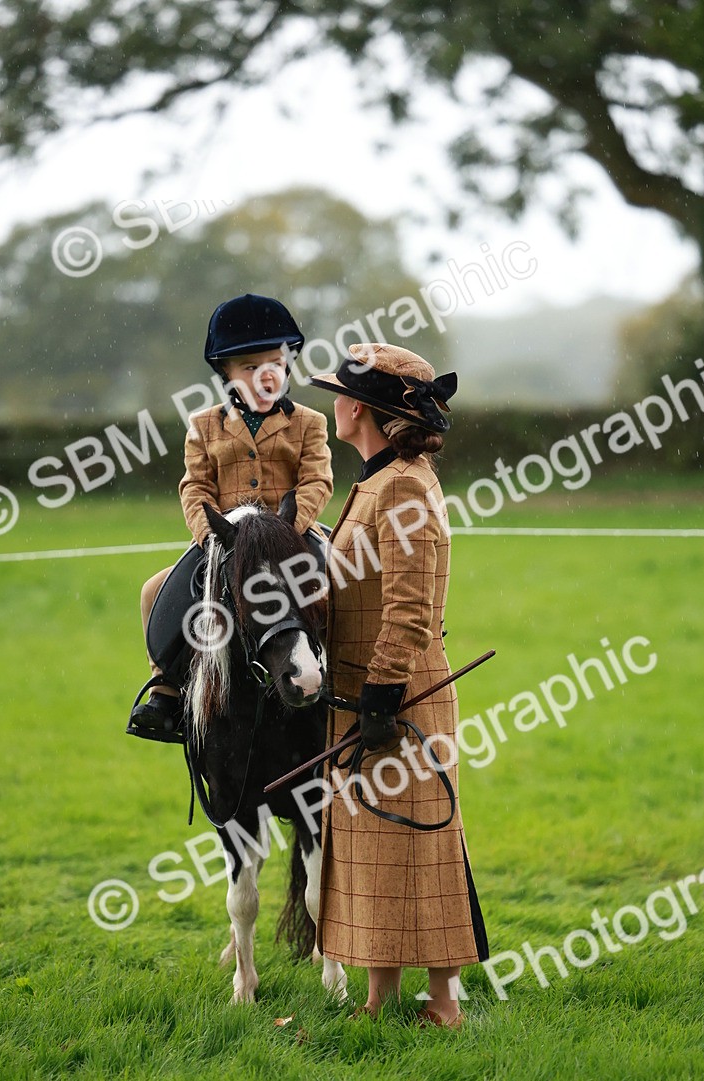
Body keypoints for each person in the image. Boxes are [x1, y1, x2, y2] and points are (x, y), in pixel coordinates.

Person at [308, 342, 488, 1028]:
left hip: (402, 693)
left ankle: (442, 1006)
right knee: (373, 853)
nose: (333, 402)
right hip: (361, 693)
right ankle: (381, 999)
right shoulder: (379, 478)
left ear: (360, 409)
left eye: (338, 393)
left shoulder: (405, 485)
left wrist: (382, 694)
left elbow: (411, 607)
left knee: (418, 850)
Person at [128, 293, 333, 736]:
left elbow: (318, 481)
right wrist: (212, 536)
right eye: (248, 367)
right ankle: (167, 692)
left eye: (273, 363)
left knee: (347, 581)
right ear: (226, 374)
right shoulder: (204, 425)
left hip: (291, 535)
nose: (264, 375)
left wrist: (286, 530)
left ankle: (356, 683)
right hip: (224, 539)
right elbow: (195, 487)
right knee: (152, 592)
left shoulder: (310, 422)